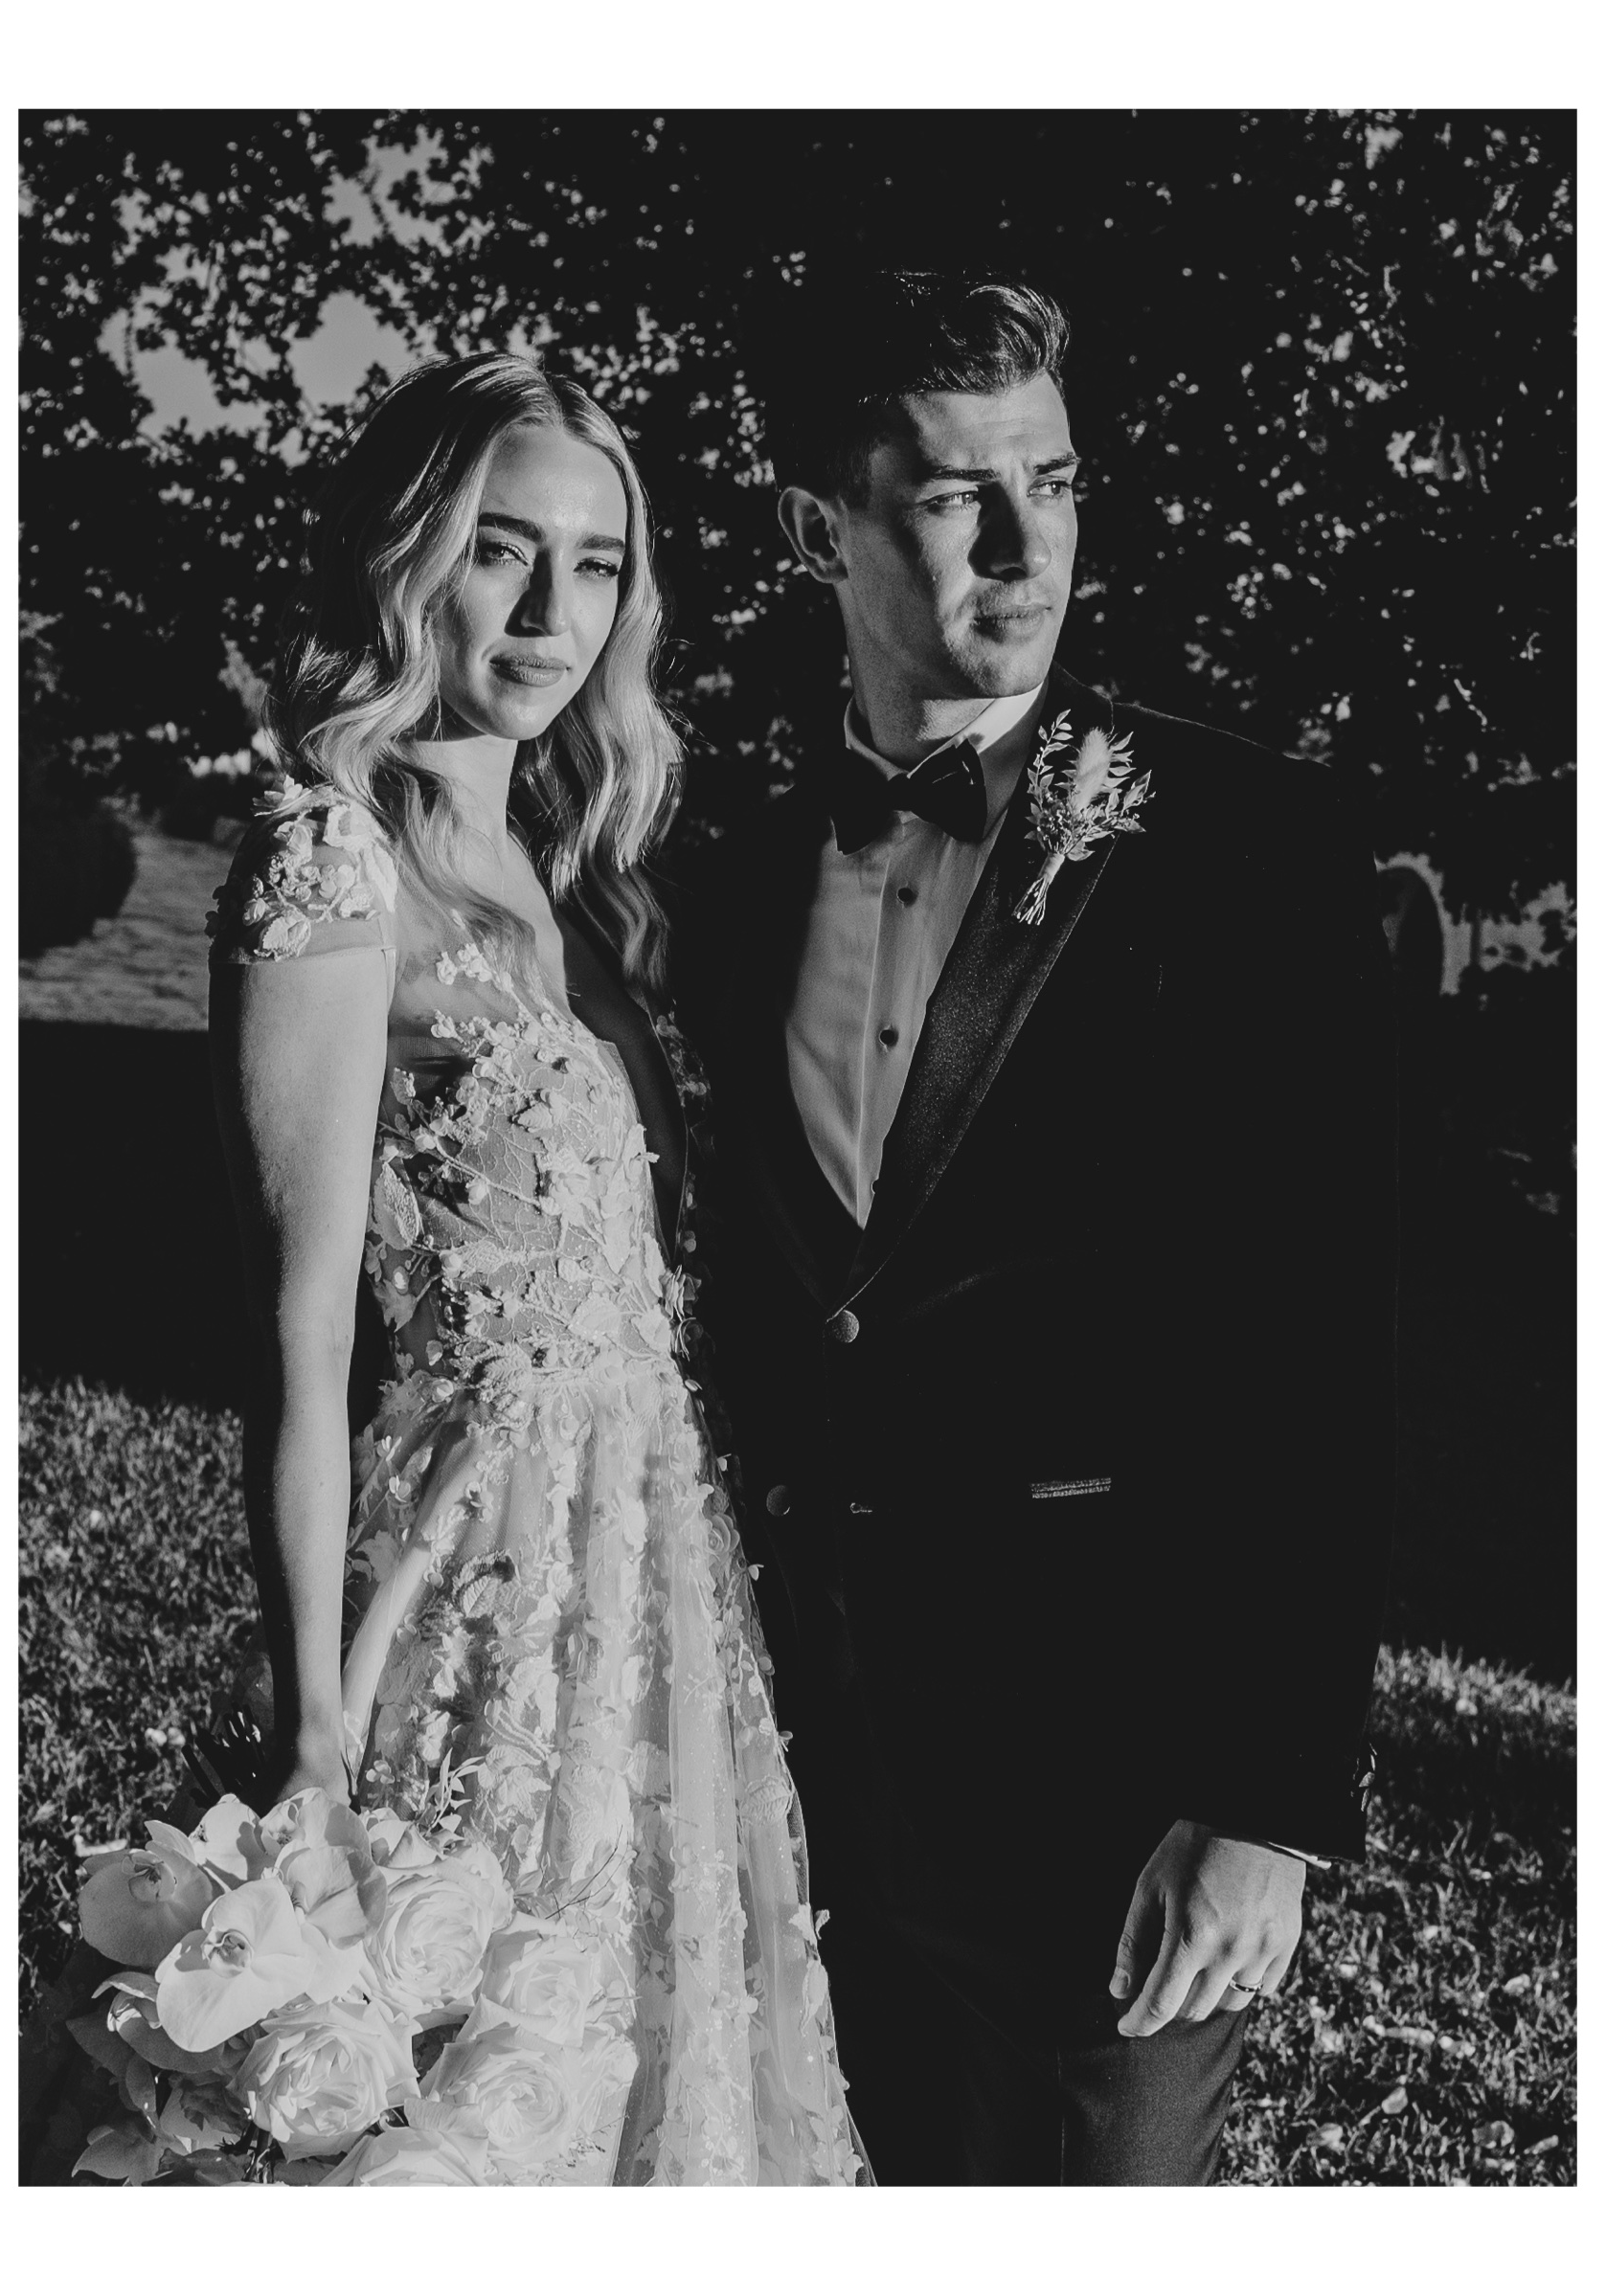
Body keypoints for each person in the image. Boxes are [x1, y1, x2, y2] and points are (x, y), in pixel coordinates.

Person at [677, 272, 1398, 2184]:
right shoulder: (731, 870)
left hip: (1115, 1772)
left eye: (1056, 482)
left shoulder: (1254, 847)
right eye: (947, 493)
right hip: (801, 1756)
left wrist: (1262, 1795)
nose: (1025, 542)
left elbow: (1324, 1334)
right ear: (808, 527)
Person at [201, 351, 861, 2185]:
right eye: (504, 552)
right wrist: (316, 1721)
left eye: (595, 567)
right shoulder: (333, 864)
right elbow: (299, 1337)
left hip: (653, 1559)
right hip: (473, 1560)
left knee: (663, 2063)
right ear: (414, 557)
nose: (554, 613)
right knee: (479, 2076)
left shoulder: (580, 874)